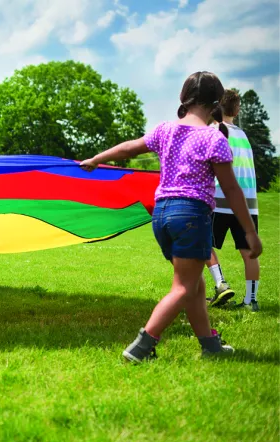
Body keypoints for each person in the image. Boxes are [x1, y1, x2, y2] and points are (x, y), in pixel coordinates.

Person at [80, 71, 262, 362]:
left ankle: (209, 345)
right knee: (183, 287)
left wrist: (97, 158)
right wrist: (250, 232)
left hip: (162, 215)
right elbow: (231, 188)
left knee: (196, 285)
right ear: (216, 103)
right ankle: (142, 345)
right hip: (191, 214)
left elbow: (131, 147)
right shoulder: (213, 139)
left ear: (184, 97)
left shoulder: (166, 130)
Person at [205, 89, 261, 312]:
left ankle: (221, 284)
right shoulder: (244, 136)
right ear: (237, 110)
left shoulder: (214, 131)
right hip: (247, 203)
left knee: (202, 243)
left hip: (220, 198)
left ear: (216, 107)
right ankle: (251, 301)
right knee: (248, 253)